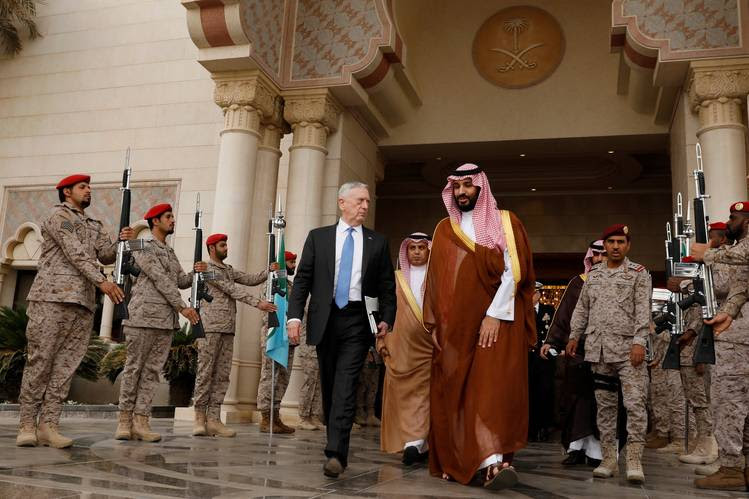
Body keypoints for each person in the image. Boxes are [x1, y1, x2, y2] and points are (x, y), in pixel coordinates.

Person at [423, 163, 535, 490]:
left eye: (468, 186)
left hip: (498, 323)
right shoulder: (445, 229)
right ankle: (462, 459)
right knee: (458, 393)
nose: (461, 192)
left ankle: (492, 463)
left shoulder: (505, 221)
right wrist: (437, 325)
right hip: (457, 328)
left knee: (492, 391)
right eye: (456, 187)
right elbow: (437, 282)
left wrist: (493, 315)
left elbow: (514, 271)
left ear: (481, 188)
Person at [287, 181, 396, 478]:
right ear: (342, 203)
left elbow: (387, 285)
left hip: (358, 322)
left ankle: (336, 453)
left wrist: (387, 317)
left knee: (347, 386)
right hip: (325, 321)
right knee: (331, 386)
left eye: (367, 202)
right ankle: (333, 437)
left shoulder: (377, 242)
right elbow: (302, 282)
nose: (364, 206)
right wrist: (294, 318)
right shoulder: (318, 238)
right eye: (359, 200)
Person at [16, 174, 132, 448]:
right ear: (67, 192)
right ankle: (26, 424)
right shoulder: (58, 217)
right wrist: (102, 281)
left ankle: (49, 426)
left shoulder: (94, 224)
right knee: (41, 362)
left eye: (89, 186)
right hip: (51, 299)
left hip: (82, 302)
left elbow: (105, 254)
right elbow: (75, 252)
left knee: (65, 367)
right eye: (83, 187)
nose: (88, 190)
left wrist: (122, 241)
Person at [567, 224, 651, 484]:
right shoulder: (593, 275)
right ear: (604, 245)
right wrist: (574, 335)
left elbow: (643, 310)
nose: (616, 246)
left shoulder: (638, 273)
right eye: (611, 242)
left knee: (635, 404)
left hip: (628, 352)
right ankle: (608, 458)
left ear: (628, 245)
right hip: (598, 351)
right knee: (604, 408)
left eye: (621, 242)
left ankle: (634, 460)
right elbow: (582, 308)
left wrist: (640, 342)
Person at [114, 203, 203, 443]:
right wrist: (182, 306)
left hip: (164, 321)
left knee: (152, 373)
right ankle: (124, 421)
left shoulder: (170, 252)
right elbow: (159, 278)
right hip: (143, 317)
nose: (173, 220)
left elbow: (180, 281)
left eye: (173, 216)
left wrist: (197, 273)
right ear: (155, 221)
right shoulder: (141, 244)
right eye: (168, 216)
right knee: (134, 369)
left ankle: (141, 420)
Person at [690, 203, 749, 490]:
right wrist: (731, 310)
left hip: (742, 341)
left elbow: (740, 260)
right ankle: (738, 467)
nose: (729, 222)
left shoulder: (741, 249)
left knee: (729, 401)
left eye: (734, 217)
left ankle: (732, 468)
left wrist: (709, 254)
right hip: (737, 331)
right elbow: (743, 287)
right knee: (736, 403)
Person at [193, 233, 276, 437]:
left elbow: (250, 279)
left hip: (228, 328)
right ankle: (199, 417)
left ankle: (214, 418)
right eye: (223, 245)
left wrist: (269, 271)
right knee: (205, 373)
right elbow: (231, 289)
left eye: (226, 245)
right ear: (212, 248)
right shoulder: (207, 269)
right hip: (210, 327)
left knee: (222, 375)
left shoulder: (228, 269)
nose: (226, 248)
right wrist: (258, 303)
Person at [540, 240, 605, 466]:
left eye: (603, 255)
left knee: (600, 403)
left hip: (604, 353)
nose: (598, 259)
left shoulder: (617, 282)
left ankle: (596, 454)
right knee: (573, 400)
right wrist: (551, 341)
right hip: (576, 352)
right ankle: (575, 449)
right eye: (595, 255)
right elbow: (563, 315)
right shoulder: (578, 283)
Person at [377, 233, 433, 465]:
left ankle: (416, 441)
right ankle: (414, 442)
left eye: (422, 247)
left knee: (424, 395)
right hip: (400, 345)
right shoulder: (395, 279)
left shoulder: (438, 276)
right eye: (412, 248)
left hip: (428, 346)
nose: (417, 252)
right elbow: (383, 310)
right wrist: (380, 340)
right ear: (405, 252)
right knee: (402, 395)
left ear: (429, 250)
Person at [257, 250, 299, 434]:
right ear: (282, 265)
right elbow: (269, 304)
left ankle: (276, 415)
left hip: (287, 338)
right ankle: (266, 417)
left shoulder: (291, 286)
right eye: (291, 262)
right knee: (269, 376)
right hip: (273, 335)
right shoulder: (270, 284)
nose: (294, 266)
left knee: (283, 377)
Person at [528, 281, 555, 442]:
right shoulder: (520, 311)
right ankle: (530, 429)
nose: (532, 296)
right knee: (529, 393)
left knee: (545, 393)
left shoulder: (548, 310)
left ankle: (544, 428)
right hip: (527, 358)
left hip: (544, 359)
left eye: (535, 293)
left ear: (539, 294)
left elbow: (553, 331)